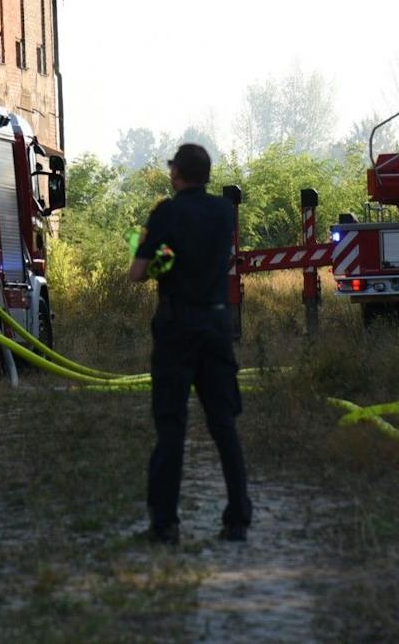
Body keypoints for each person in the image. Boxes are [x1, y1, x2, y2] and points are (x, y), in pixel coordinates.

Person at [128, 143, 251, 545]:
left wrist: (157, 256)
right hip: (216, 324)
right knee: (224, 426)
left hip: (176, 326)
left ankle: (165, 524)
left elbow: (137, 273)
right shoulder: (223, 213)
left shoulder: (166, 212)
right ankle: (238, 520)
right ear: (208, 174)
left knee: (171, 426)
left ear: (177, 173)